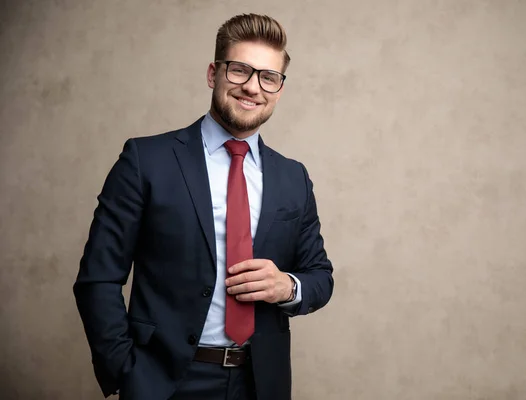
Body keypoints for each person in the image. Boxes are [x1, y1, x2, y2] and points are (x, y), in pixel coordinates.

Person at [73, 13, 334, 400]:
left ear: (279, 89)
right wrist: (127, 372)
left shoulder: (293, 177)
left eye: (268, 77)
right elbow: (98, 278)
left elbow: (320, 276)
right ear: (214, 73)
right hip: (165, 382)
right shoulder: (146, 160)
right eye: (240, 70)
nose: (252, 87)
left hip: (261, 383)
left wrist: (286, 286)